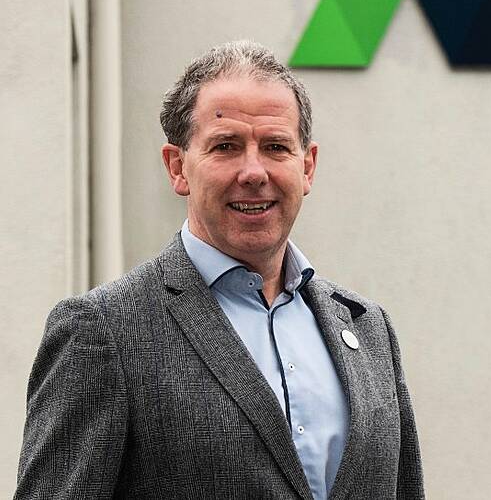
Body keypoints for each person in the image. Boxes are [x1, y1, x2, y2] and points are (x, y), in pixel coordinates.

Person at [15, 40, 424, 500]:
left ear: (306, 167)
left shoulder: (368, 330)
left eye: (275, 147)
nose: (253, 171)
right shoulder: (103, 330)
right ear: (177, 167)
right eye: (226, 147)